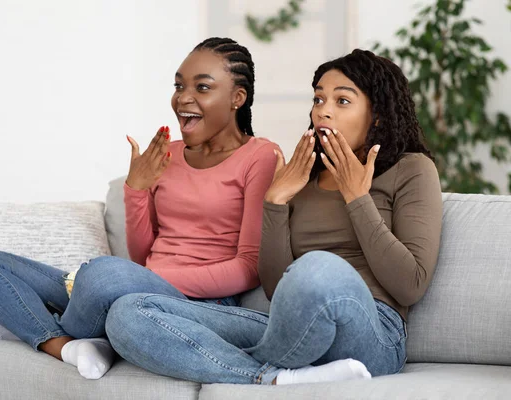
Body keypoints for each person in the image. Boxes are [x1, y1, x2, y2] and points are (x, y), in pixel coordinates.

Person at [106, 49, 443, 385]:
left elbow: (410, 285)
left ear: (378, 115)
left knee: (316, 269)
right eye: (318, 99)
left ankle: (258, 358)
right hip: (288, 325)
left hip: (375, 331)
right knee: (128, 312)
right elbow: (274, 287)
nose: (323, 111)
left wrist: (357, 197)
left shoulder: (411, 169)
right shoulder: (303, 177)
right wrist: (276, 200)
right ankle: (269, 378)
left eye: (342, 101)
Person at [0, 37, 278, 380]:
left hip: (193, 303)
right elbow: (141, 255)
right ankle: (65, 343)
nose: (184, 97)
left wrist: (143, 279)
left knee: (101, 275)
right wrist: (136, 189)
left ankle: (37, 328)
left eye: (202, 87)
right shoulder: (164, 153)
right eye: (179, 85)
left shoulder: (260, 156)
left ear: (237, 98)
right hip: (126, 284)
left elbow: (248, 268)